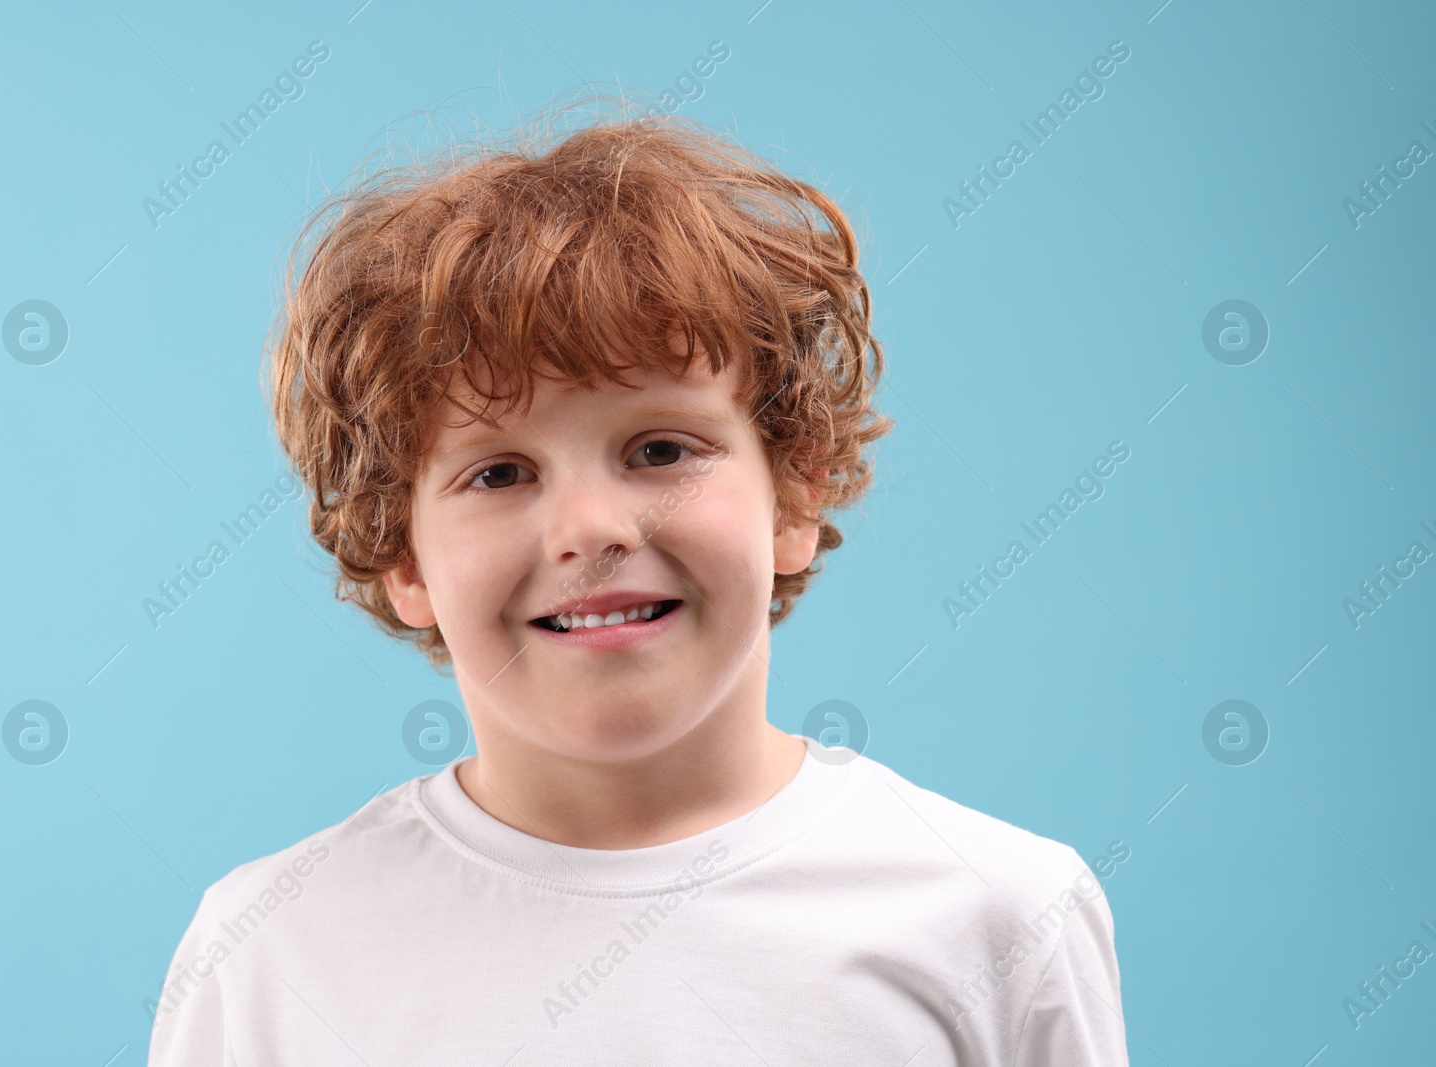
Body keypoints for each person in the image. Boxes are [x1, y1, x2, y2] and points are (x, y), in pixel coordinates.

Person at [146, 101, 1130, 1066]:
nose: (591, 528)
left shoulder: (999, 913)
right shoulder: (267, 952)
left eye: (660, 448)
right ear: (401, 556)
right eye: (498, 472)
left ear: (794, 492)